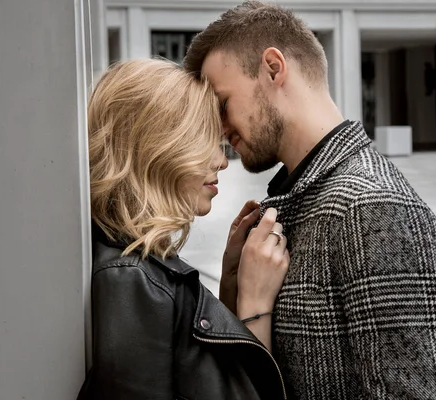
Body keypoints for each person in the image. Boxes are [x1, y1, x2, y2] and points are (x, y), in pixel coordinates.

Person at [183, 1, 436, 399]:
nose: (218, 127)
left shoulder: (371, 207)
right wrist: (234, 290)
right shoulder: (297, 199)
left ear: (273, 68)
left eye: (222, 103)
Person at [77, 58, 289, 400]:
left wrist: (231, 286)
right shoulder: (132, 280)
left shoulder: (139, 271)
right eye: (203, 141)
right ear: (156, 145)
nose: (221, 161)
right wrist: (255, 305)